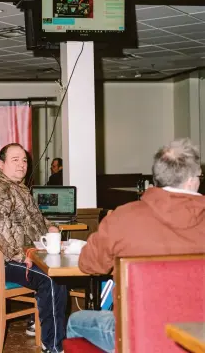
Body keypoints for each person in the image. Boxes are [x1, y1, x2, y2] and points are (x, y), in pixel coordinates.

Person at [66, 138, 205, 353]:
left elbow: (88, 264)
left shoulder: (123, 217)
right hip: (199, 334)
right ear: (189, 181)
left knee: (75, 321)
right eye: (199, 176)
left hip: (138, 334)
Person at [0, 143, 67, 353]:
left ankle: (38, 323)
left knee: (56, 272)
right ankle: (53, 345)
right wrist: (19, 255)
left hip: (23, 255)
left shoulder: (17, 187)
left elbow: (33, 219)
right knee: (52, 278)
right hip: (3, 262)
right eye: (15, 160)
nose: (21, 164)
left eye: (24, 160)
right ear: (1, 164)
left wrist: (51, 226)